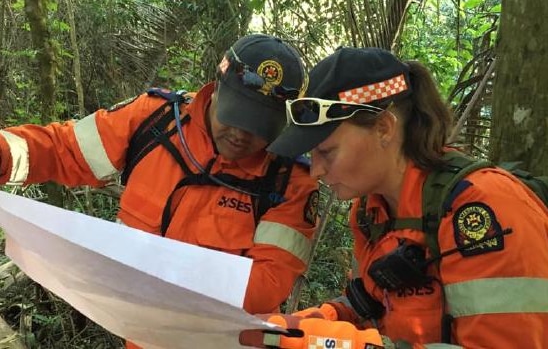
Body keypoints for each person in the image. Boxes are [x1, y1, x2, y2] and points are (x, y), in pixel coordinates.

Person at [0, 34, 320, 348]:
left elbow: (268, 285)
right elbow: (62, 151)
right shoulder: (154, 120)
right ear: (216, 86)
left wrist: (154, 275)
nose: (240, 133)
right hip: (142, 337)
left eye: (258, 125)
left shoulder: (289, 181)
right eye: (235, 114)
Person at [239, 47, 548, 348]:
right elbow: (371, 303)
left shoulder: (483, 207)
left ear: (384, 128)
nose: (315, 170)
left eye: (327, 152)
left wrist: (345, 345)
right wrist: (315, 321)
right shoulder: (370, 212)